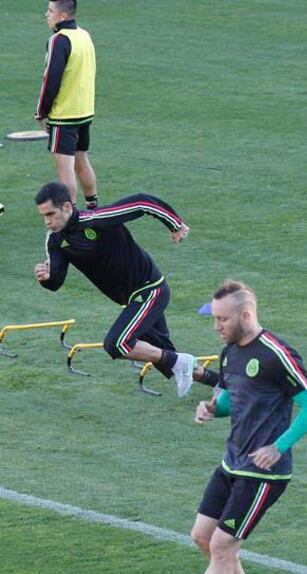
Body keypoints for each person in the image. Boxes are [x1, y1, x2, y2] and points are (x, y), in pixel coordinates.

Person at [149, 281, 307, 574]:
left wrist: (278, 447)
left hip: (264, 475)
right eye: (215, 318)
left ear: (246, 315)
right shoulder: (230, 352)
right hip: (233, 462)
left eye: (223, 318)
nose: (217, 325)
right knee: (201, 536)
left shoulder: (278, 354)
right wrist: (212, 408)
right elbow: (232, 396)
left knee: (223, 546)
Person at [33, 181, 213, 397]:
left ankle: (181, 362)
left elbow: (142, 202)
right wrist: (46, 278)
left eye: (51, 214)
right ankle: (224, 383)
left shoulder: (97, 219)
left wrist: (175, 224)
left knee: (116, 344)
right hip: (132, 301)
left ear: (68, 208)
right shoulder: (55, 241)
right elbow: (57, 281)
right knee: (168, 360)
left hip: (150, 290)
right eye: (43, 216)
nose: (47, 221)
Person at [36, 0, 99, 210]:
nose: (47, 14)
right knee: (82, 161)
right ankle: (93, 209)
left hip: (64, 115)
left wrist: (42, 112)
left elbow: (51, 79)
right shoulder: (84, 35)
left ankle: (70, 219)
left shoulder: (59, 40)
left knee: (66, 170)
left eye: (51, 11)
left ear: (63, 16)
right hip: (85, 112)